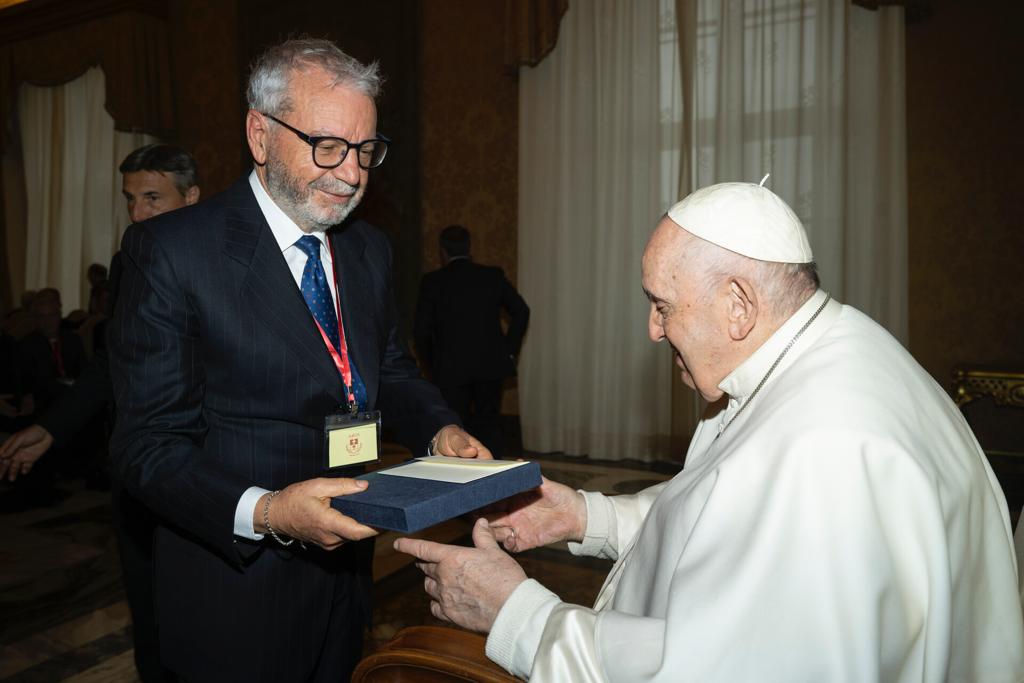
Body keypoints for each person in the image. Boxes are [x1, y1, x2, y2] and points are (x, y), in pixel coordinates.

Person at [395, 181, 1024, 682]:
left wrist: (515, 613)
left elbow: (708, 669)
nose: (653, 329)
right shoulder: (827, 351)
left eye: (663, 305)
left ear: (739, 305)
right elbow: (732, 517)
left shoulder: (826, 451)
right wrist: (589, 517)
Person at [107, 38, 489, 683]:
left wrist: (438, 426)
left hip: (348, 572)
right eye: (329, 146)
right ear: (260, 134)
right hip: (234, 590)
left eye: (367, 151)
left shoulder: (368, 249)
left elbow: (388, 369)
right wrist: (269, 512)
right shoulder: (171, 252)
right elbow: (146, 447)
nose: (351, 174)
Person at [0, 143, 200, 683]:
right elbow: (113, 360)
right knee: (149, 613)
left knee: (206, 619)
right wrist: (49, 427)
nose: (136, 214)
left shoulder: (228, 259)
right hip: (135, 468)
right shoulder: (126, 260)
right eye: (130, 200)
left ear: (191, 198)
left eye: (153, 198)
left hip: (208, 469)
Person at [414, 225, 530, 456]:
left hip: (450, 370)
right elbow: (521, 311)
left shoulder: (433, 281)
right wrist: (508, 351)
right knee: (489, 426)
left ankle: (462, 482)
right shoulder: (492, 276)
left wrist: (432, 364)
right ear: (469, 247)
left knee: (454, 429)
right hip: (489, 366)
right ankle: (496, 481)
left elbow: (421, 331)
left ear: (442, 250)